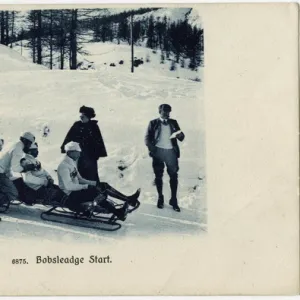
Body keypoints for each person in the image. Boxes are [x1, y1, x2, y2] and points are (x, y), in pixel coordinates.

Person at [57, 142, 140, 221]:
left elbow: (80, 179)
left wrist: (94, 183)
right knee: (96, 193)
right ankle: (118, 212)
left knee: (103, 186)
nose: (79, 154)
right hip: (69, 195)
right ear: (70, 152)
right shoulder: (64, 167)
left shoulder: (72, 163)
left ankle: (128, 200)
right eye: (78, 152)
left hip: (76, 191)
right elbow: (68, 186)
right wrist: (86, 186)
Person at [145, 104, 185, 212]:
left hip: (171, 153)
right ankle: (160, 197)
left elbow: (181, 137)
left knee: (173, 176)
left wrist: (179, 135)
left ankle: (173, 200)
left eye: (168, 112)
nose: (167, 114)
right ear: (159, 112)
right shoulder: (153, 123)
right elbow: (147, 139)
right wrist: (153, 150)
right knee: (158, 176)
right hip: (158, 152)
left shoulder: (173, 122)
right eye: (164, 112)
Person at [60, 105, 107, 183]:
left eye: (83, 116)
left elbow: (99, 141)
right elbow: (69, 137)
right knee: (79, 175)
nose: (81, 117)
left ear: (88, 117)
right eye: (81, 115)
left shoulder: (93, 126)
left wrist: (97, 154)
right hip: (78, 156)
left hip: (90, 157)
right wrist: (64, 147)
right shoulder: (77, 125)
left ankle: (93, 192)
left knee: (91, 175)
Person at [0, 132, 36, 207]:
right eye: (29, 144)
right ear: (25, 141)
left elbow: (8, 163)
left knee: (17, 182)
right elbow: (15, 168)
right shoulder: (18, 149)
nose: (29, 146)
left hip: (3, 171)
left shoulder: (16, 144)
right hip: (1, 173)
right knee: (13, 193)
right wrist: (26, 167)